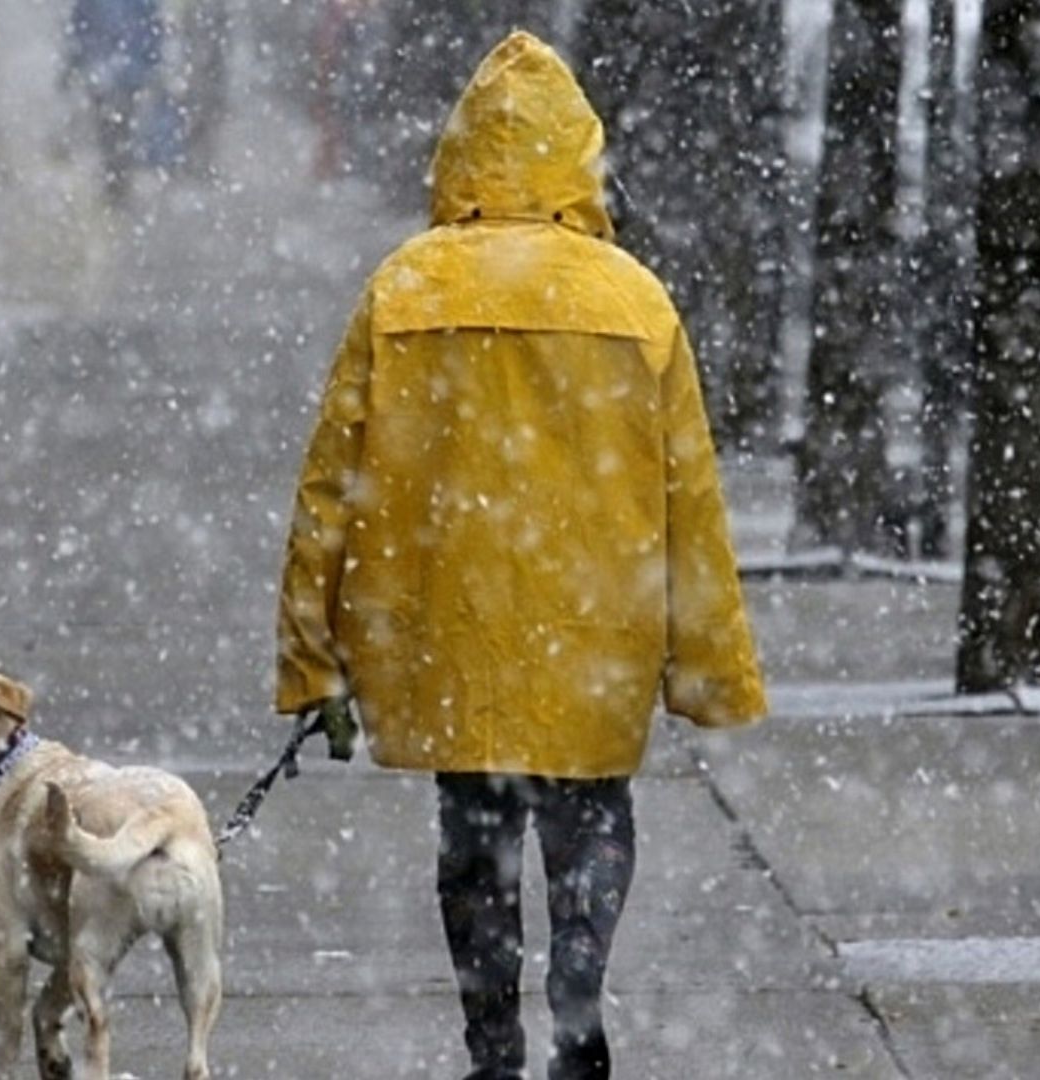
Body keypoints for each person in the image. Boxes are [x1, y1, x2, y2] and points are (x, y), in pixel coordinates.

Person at [275, 32, 767, 1080]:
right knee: (590, 820)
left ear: (457, 156)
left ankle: (492, 1050)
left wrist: (316, 659)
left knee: (475, 845)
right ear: (578, 156)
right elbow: (689, 497)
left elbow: (331, 489)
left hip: (451, 632)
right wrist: (708, 666)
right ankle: (578, 1010)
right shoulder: (632, 299)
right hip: (596, 626)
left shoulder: (403, 290)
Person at [64, 0, 164, 205]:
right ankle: (117, 177)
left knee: (112, 127)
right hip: (120, 73)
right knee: (117, 127)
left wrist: (78, 63)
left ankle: (115, 177)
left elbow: (80, 27)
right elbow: (151, 30)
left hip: (110, 73)